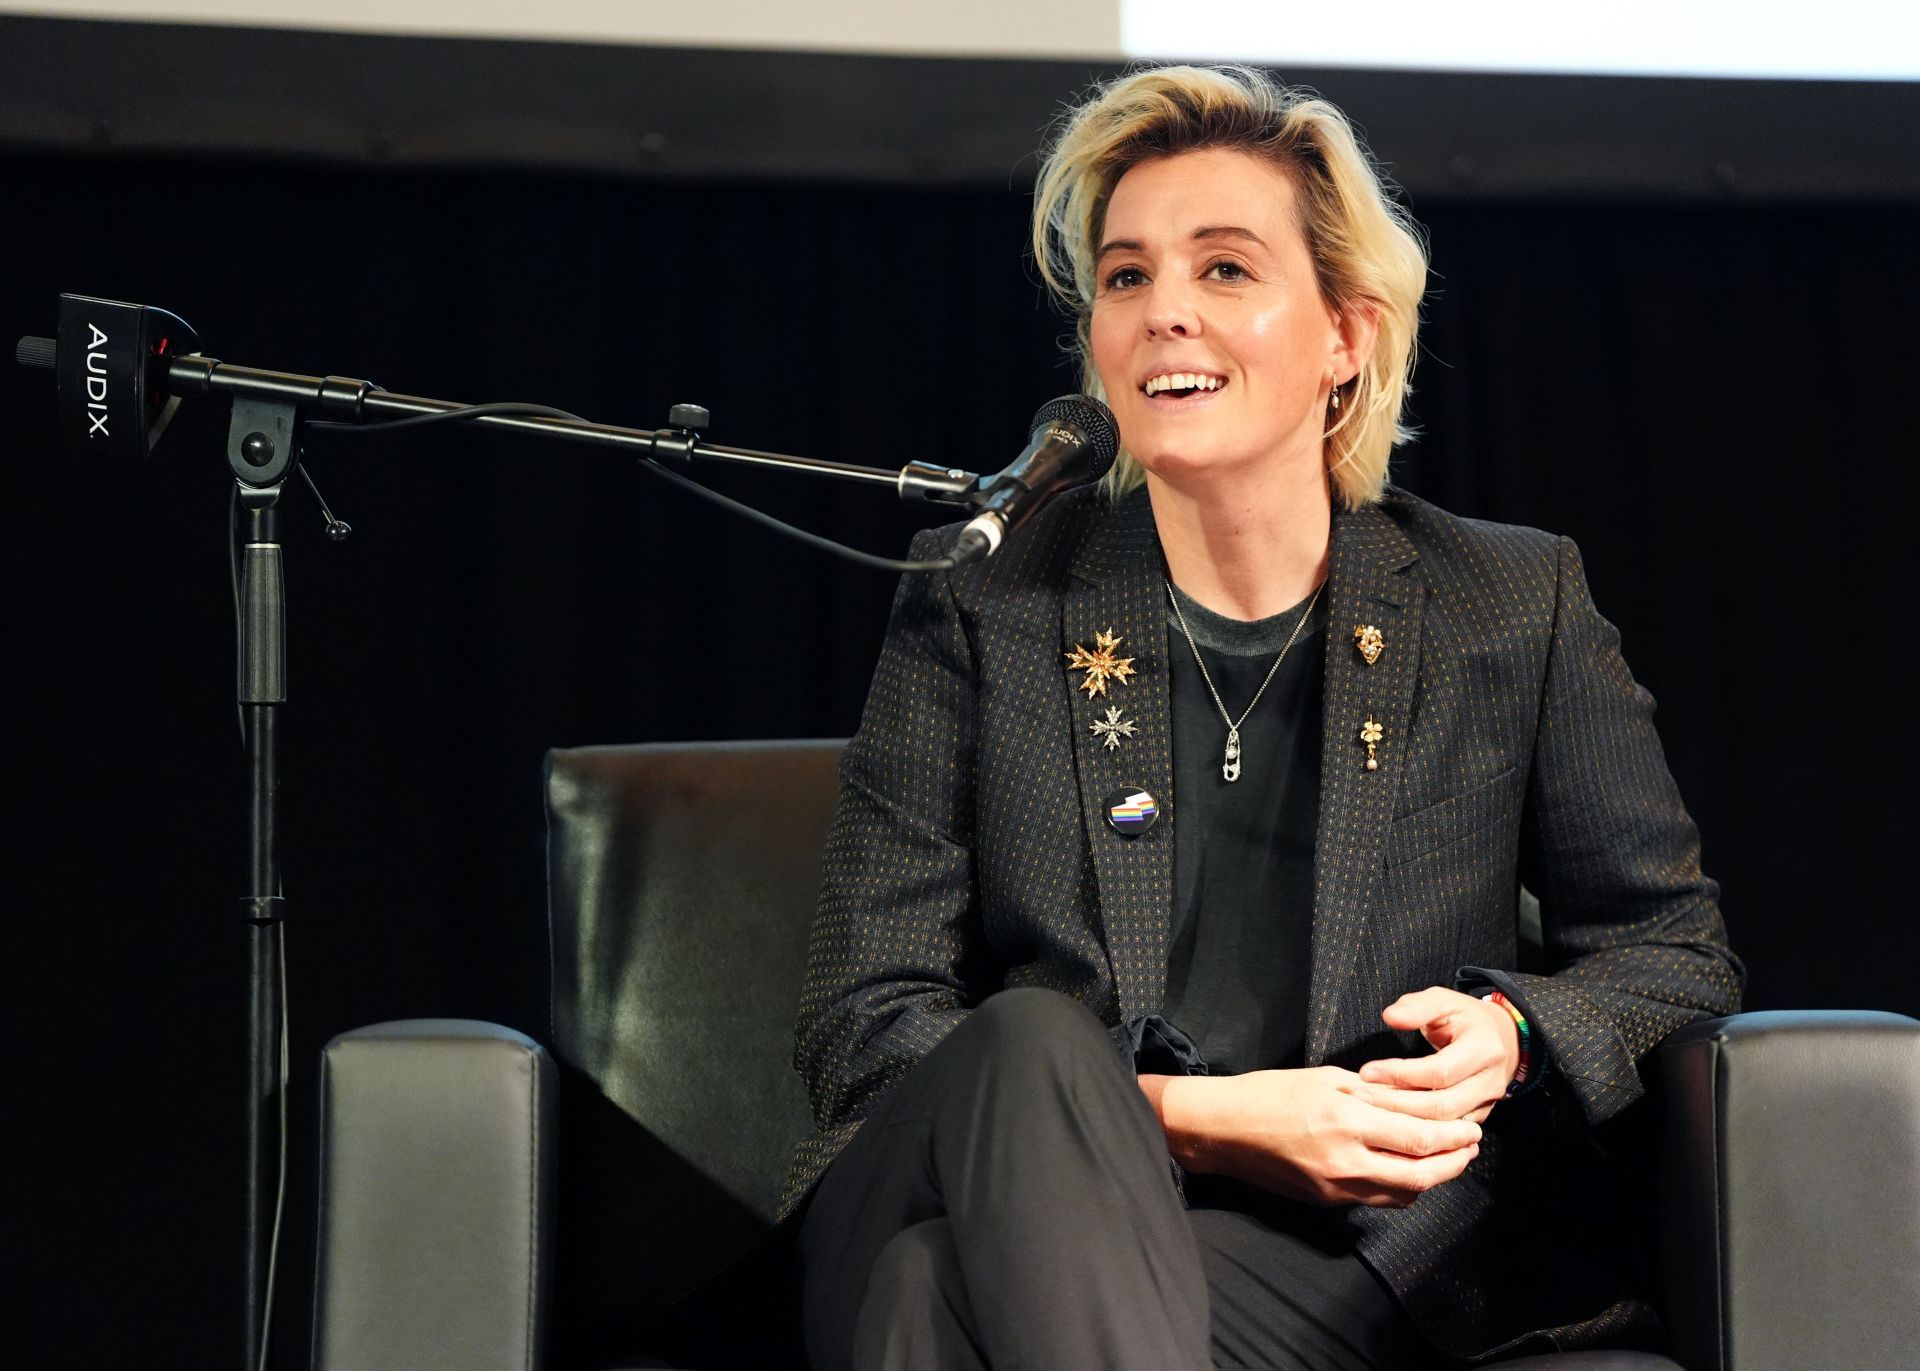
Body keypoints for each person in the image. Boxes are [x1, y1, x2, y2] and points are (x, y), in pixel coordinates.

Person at [784, 64, 1742, 1371]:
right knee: (1024, 1046)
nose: (1164, 310)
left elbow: (1671, 946)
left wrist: (1516, 1032)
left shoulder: (1507, 603)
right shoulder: (986, 597)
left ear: (1345, 336)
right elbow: (866, 1018)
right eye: (1125, 278)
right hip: (986, 1169)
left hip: (1347, 1252)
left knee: (928, 1295)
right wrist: (1194, 1117)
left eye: (1225, 269)